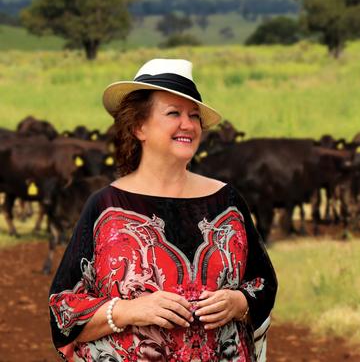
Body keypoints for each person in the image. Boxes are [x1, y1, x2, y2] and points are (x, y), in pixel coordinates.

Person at [48, 58, 277, 361]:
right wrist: (128, 310)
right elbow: (62, 312)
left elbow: (263, 284)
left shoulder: (227, 201)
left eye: (194, 116)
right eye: (173, 113)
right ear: (138, 126)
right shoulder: (105, 206)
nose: (188, 125)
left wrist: (238, 302)